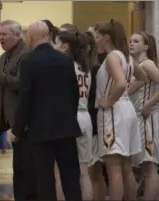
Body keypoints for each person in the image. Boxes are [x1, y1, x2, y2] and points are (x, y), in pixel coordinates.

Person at [12, 20, 82, 201]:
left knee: (45, 178)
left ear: (30, 37)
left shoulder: (29, 61)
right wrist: (69, 117)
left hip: (40, 129)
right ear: (49, 36)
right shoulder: (65, 60)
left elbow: (25, 98)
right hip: (66, 127)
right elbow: (74, 93)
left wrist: (17, 129)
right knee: (71, 176)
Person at [0, 20, 37, 200]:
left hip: (27, 121)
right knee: (19, 167)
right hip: (12, 122)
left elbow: (23, 84)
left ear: (17, 35)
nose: (1, 38)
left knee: (27, 166)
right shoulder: (3, 57)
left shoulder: (26, 55)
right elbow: (0, 87)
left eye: (4, 34)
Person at [95, 19, 141, 200]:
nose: (96, 41)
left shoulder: (113, 56)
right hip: (126, 108)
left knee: (113, 168)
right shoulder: (127, 57)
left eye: (98, 37)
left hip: (114, 113)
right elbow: (142, 76)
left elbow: (121, 83)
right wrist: (126, 93)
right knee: (126, 167)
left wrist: (109, 100)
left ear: (106, 37)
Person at [53, 31, 93, 200]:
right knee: (84, 172)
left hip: (69, 118)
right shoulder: (85, 67)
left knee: (60, 172)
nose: (53, 47)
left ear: (65, 45)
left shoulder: (63, 65)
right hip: (85, 117)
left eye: (56, 42)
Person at [128, 32, 159, 200]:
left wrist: (150, 103)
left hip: (149, 119)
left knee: (149, 166)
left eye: (136, 41)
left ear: (146, 46)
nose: (131, 43)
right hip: (140, 119)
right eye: (130, 41)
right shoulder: (136, 65)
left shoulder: (147, 64)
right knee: (145, 166)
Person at [86, 26, 108, 200]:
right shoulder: (89, 65)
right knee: (92, 173)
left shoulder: (97, 66)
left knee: (94, 173)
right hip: (93, 120)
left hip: (94, 120)